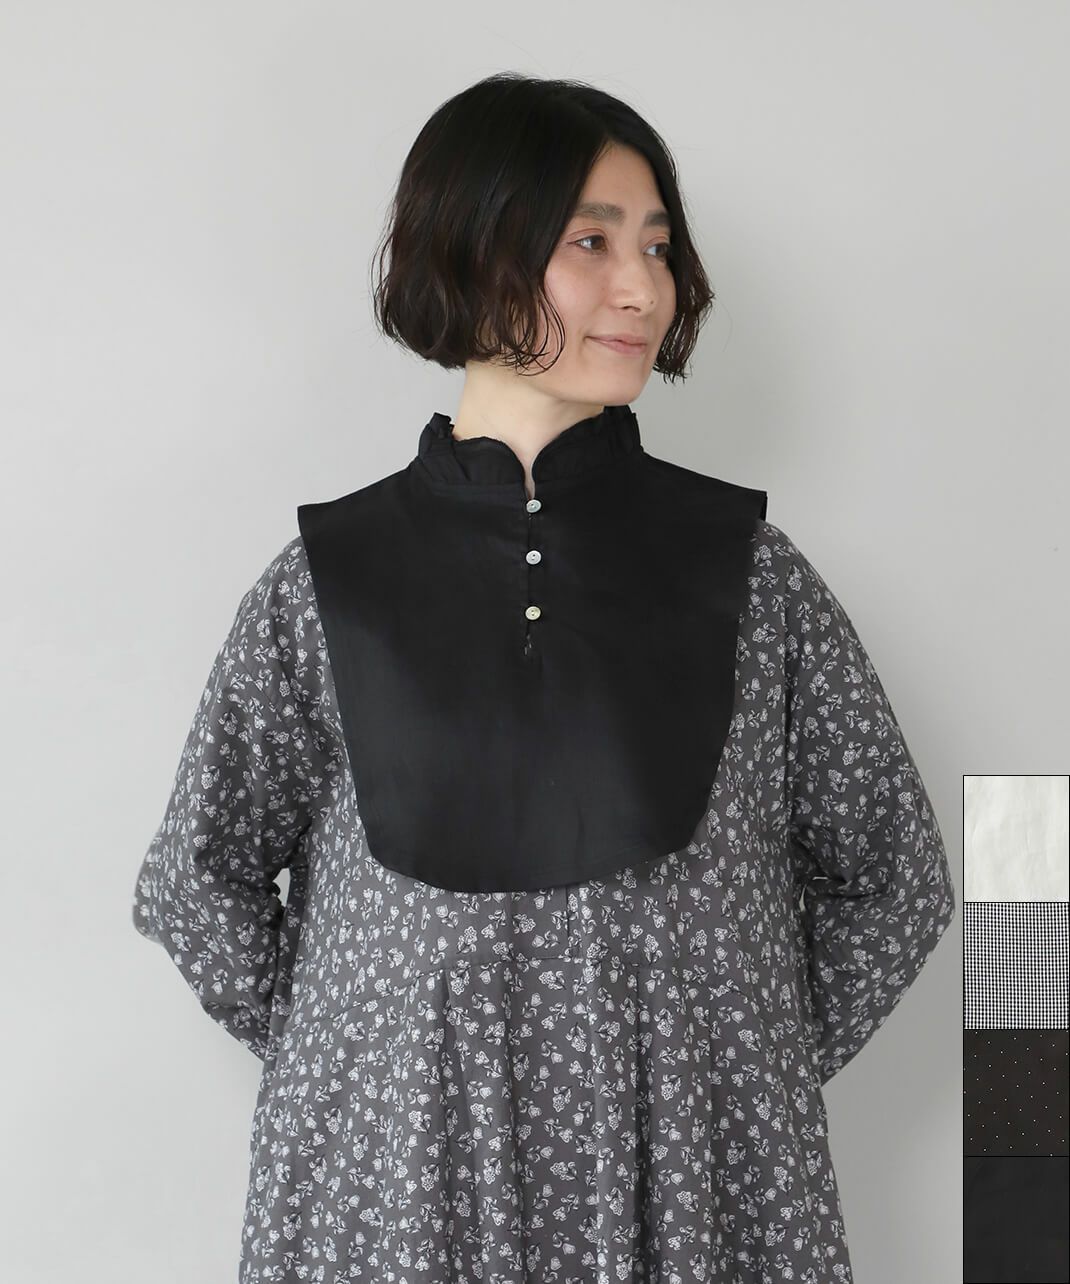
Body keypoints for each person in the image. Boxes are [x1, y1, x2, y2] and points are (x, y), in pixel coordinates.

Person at [131, 72, 956, 1283]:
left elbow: (891, 875)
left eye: (657, 247)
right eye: (590, 242)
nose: (642, 288)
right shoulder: (323, 585)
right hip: (394, 1202)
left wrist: (730, 1070)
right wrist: (365, 1064)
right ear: (472, 251)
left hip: (696, 1196)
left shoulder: (753, 577)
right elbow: (197, 881)